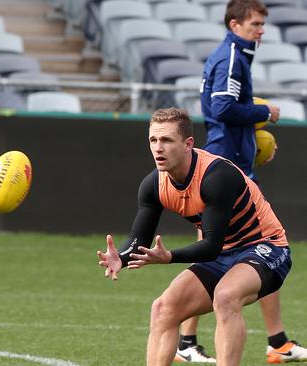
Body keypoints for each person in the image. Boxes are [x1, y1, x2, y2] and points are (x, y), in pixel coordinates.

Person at [97, 107, 292, 366]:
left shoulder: (216, 176)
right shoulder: (154, 184)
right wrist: (121, 256)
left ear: (188, 144)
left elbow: (211, 246)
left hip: (264, 246)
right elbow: (139, 238)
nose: (158, 148)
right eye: (153, 140)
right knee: (163, 309)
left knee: (225, 296)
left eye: (166, 140)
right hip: (225, 251)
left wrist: (169, 257)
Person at [176, 0, 307, 362]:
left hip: (229, 162)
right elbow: (220, 108)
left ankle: (269, 339)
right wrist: (264, 112)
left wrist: (253, 138)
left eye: (263, 24)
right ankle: (269, 341)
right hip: (227, 167)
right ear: (235, 25)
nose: (261, 30)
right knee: (260, 244)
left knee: (233, 250)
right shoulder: (232, 55)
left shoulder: (233, 53)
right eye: (255, 24)